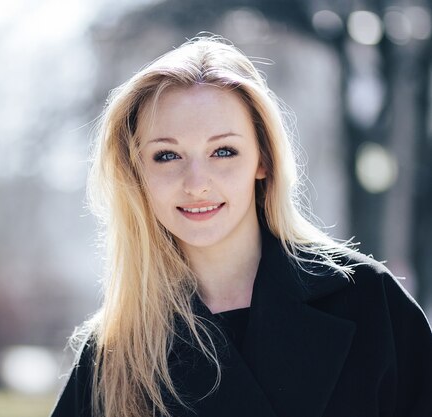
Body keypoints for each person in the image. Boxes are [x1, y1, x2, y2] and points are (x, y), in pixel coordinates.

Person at [49, 36, 432, 417]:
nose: (197, 182)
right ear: (136, 173)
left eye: (223, 151)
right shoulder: (112, 357)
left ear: (262, 160)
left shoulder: (367, 300)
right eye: (166, 155)